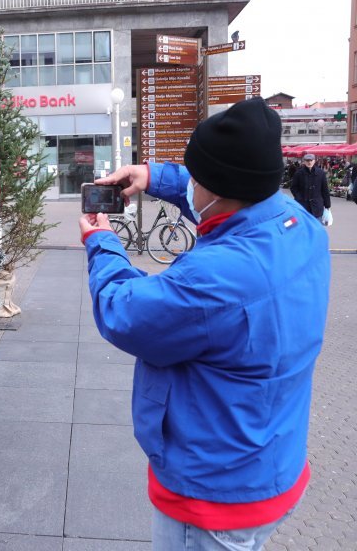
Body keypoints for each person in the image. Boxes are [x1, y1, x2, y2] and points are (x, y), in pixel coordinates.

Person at [79, 98, 329, 551]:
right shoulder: (303, 229)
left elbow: (124, 311)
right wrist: (154, 177)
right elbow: (225, 203)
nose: (190, 183)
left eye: (194, 177)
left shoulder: (217, 276)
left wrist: (101, 242)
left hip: (214, 498)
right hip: (272, 465)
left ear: (217, 187)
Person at [290, 154, 331, 223]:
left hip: (317, 205)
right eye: (307, 160)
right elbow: (293, 187)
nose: (309, 162)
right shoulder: (299, 173)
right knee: (304, 227)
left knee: (317, 228)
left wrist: (327, 205)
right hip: (303, 205)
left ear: (314, 161)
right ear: (304, 162)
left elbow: (325, 190)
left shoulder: (320, 173)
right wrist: (299, 197)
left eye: (311, 160)